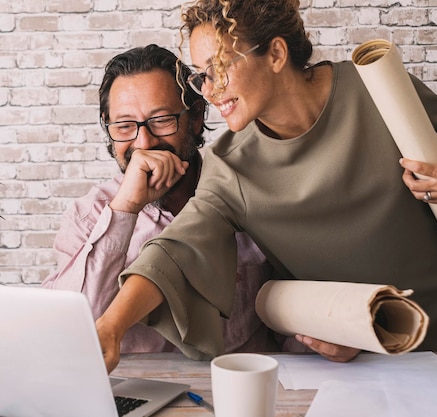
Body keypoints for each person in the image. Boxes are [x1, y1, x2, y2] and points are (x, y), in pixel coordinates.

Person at [96, 0, 437, 372]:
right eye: (201, 75)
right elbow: (173, 254)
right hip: (372, 370)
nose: (208, 90)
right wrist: (111, 327)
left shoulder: (378, 90)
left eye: (219, 68)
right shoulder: (231, 167)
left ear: (275, 54)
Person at [42, 44, 280, 355]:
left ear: (195, 118)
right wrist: (125, 210)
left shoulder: (248, 190)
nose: (144, 143)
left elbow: (293, 298)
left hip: (241, 380)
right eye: (125, 126)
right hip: (140, 388)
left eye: (162, 120)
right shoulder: (88, 216)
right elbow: (66, 330)